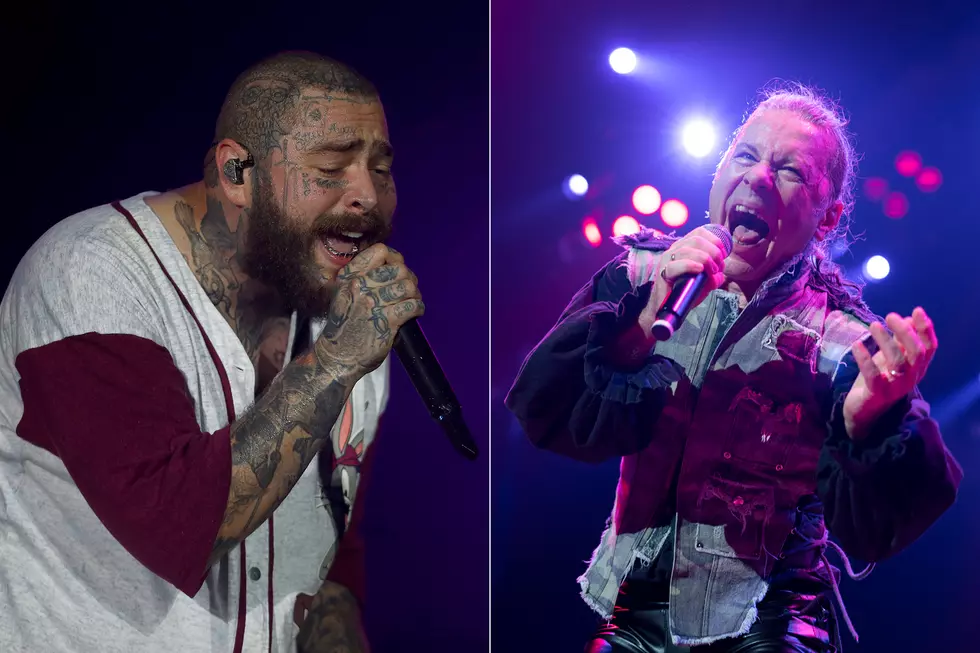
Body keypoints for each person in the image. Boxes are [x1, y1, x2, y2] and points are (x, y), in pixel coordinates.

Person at [505, 84, 962, 652]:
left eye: (789, 169)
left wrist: (870, 422)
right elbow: (549, 414)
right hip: (632, 609)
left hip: (769, 619)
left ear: (828, 217)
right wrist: (644, 323)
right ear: (718, 175)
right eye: (745, 156)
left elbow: (883, 525)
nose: (759, 178)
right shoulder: (643, 278)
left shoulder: (846, 340)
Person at [0, 50, 424, 653]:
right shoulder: (90, 273)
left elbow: (331, 530)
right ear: (236, 175)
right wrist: (335, 360)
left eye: (380, 169)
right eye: (331, 169)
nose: (367, 196)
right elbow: (179, 522)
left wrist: (339, 620)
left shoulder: (347, 313)